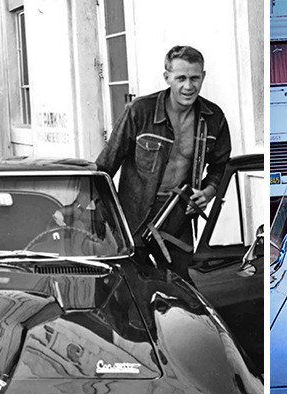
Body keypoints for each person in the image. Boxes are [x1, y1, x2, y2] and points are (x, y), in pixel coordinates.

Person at [96, 45, 232, 280]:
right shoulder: (140, 111)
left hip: (178, 217)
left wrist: (208, 192)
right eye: (180, 78)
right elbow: (105, 166)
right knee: (132, 287)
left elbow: (220, 166)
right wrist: (98, 218)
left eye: (194, 78)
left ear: (203, 77)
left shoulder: (214, 118)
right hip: (133, 216)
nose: (188, 86)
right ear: (167, 77)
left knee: (180, 288)